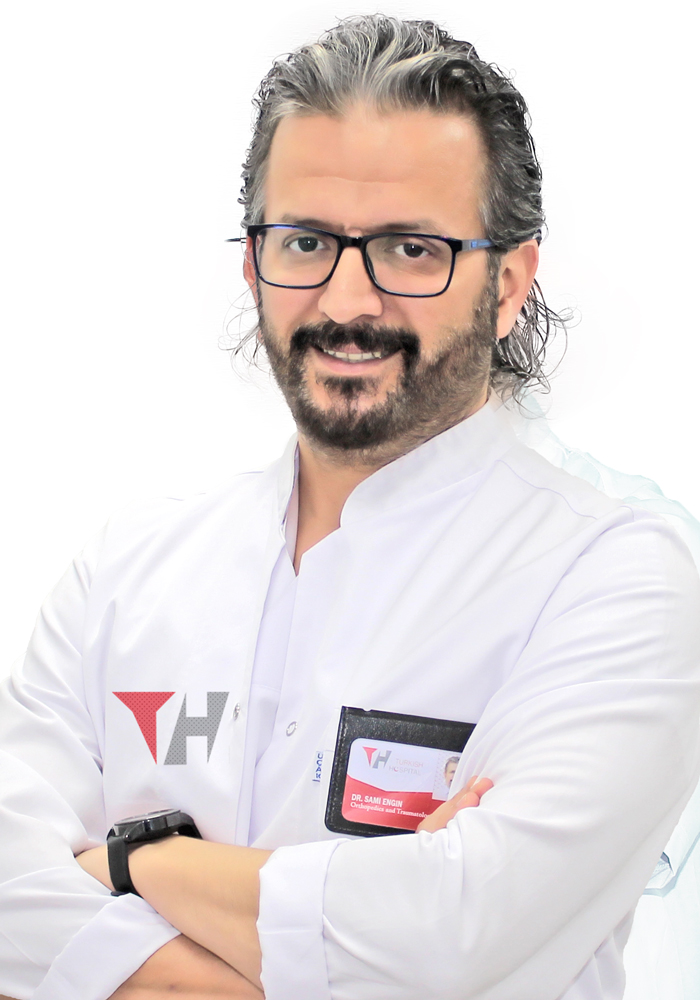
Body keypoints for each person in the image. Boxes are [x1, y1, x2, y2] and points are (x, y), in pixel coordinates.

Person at [1, 15, 699, 1000]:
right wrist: (355, 939)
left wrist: (132, 861)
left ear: (508, 283)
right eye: (306, 242)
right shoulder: (126, 573)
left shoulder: (616, 580)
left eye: (411, 249)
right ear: (253, 263)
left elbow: (457, 941)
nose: (346, 300)